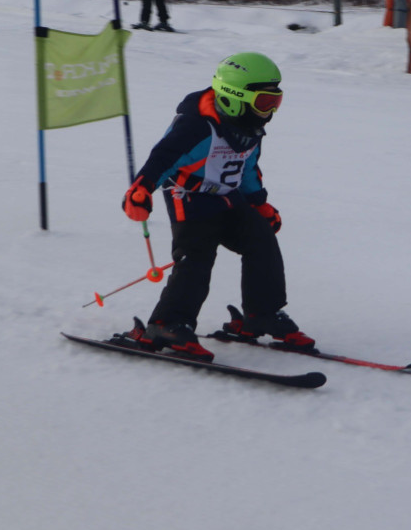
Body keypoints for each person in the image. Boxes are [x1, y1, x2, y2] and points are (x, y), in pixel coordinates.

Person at [118, 52, 315, 361]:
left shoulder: (248, 127)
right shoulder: (196, 126)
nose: (270, 111)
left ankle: (262, 313)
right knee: (196, 255)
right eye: (264, 102)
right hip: (189, 195)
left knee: (261, 240)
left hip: (227, 195)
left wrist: (260, 204)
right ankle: (168, 323)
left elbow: (247, 169)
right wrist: (141, 190)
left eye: (275, 102)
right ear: (235, 97)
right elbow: (162, 159)